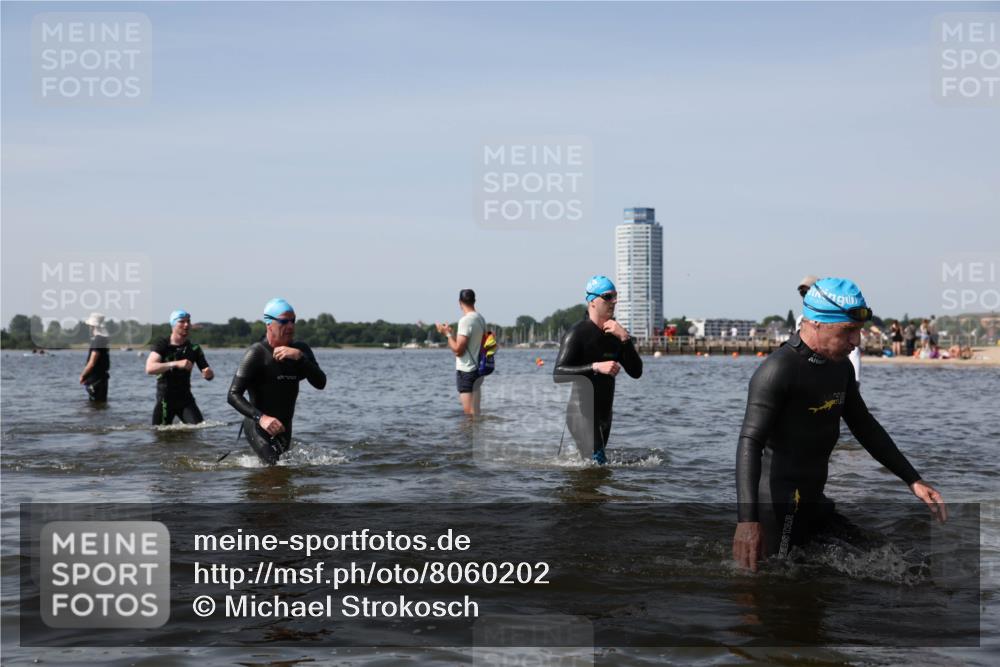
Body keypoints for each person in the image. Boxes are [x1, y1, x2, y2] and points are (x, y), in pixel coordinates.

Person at [733, 278, 946, 572]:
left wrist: (913, 479)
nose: (857, 341)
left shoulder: (840, 367)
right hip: (777, 512)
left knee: (905, 565)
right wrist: (747, 522)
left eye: (858, 331)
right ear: (817, 323)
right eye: (848, 331)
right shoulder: (777, 370)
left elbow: (864, 426)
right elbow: (749, 442)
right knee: (772, 596)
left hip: (815, 504)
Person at [553, 275, 642, 464]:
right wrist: (595, 367)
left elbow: (636, 372)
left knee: (595, 471)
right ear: (592, 301)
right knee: (598, 463)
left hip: (605, 414)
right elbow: (558, 373)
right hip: (581, 413)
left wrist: (625, 339)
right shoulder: (577, 333)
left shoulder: (616, 333)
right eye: (608, 297)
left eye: (616, 296)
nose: (614, 301)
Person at [227, 298, 327, 465]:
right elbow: (232, 395)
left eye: (293, 320)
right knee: (275, 468)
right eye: (283, 321)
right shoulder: (256, 353)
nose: (290, 326)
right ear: (269, 324)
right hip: (258, 426)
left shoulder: (301, 350)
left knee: (283, 474)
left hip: (284, 428)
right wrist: (262, 418)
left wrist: (300, 358)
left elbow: (320, 383)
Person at [145, 309, 214, 425]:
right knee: (160, 436)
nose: (186, 325)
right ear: (173, 324)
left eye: (188, 321)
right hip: (165, 400)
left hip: (186, 399)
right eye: (182, 322)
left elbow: (207, 373)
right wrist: (175, 363)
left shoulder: (194, 348)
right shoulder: (162, 344)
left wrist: (209, 374)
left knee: (199, 428)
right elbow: (150, 368)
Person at [796, 275, 860, 385]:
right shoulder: (799, 320)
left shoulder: (841, 321)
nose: (805, 296)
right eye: (803, 293)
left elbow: (855, 353)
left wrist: (855, 380)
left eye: (809, 292)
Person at [435, 289, 487, 416]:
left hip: (466, 371)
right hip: (478, 370)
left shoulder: (465, 321)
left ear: (460, 302)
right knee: (476, 413)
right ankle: (477, 435)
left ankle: (468, 435)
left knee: (469, 414)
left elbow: (458, 350)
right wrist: (452, 334)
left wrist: (447, 334)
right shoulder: (480, 318)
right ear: (474, 301)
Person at [78, 312, 110, 402]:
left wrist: (82, 375)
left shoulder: (98, 340)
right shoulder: (103, 339)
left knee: (94, 405)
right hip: (102, 378)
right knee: (100, 404)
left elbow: (92, 362)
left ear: (93, 326)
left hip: (96, 379)